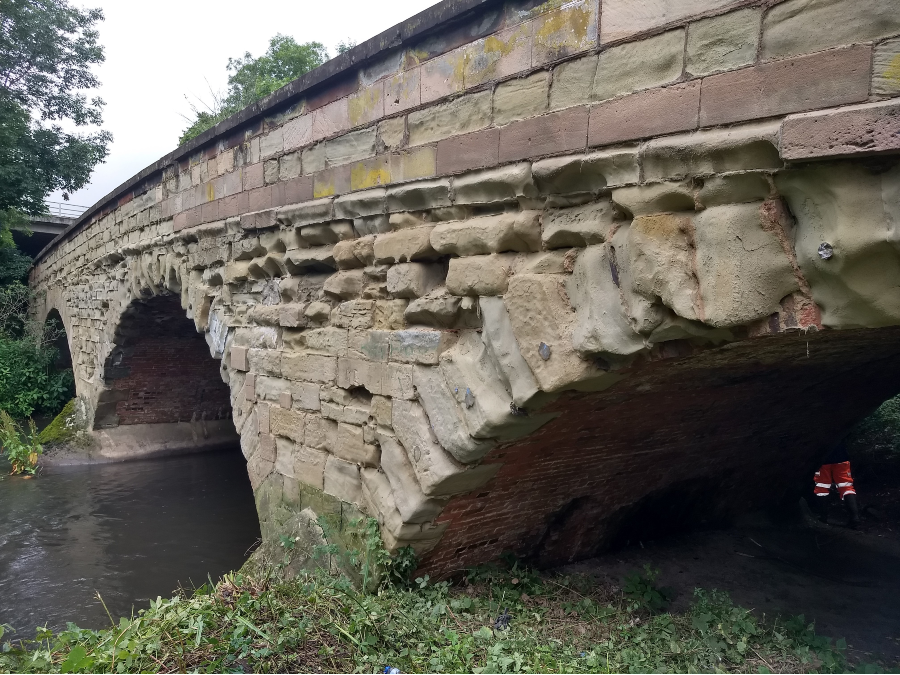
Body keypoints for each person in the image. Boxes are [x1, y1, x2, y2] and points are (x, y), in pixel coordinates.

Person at [813, 437, 860, 528]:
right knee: (846, 487)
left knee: (821, 488)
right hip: (841, 456)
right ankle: (855, 518)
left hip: (823, 459)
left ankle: (823, 517)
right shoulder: (836, 425)